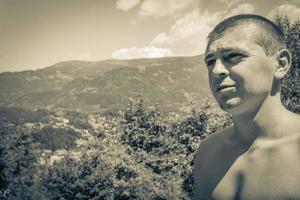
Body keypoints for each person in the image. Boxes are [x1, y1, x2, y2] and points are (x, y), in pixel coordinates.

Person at [193, 14, 300, 200]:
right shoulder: (208, 152)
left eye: (233, 56)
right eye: (210, 61)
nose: (216, 70)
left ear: (281, 64)